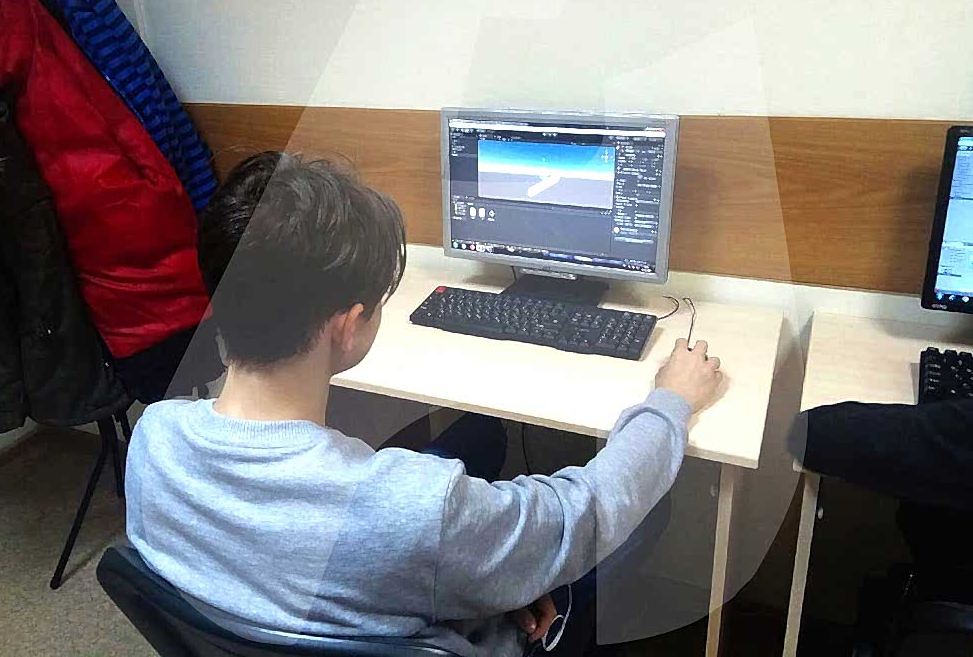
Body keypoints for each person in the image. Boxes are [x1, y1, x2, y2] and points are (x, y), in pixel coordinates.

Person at [125, 151, 724, 657]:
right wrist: (669, 401)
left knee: (477, 437)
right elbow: (583, 510)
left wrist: (473, 574)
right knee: (647, 513)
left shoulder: (153, 438)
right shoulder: (414, 510)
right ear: (348, 325)